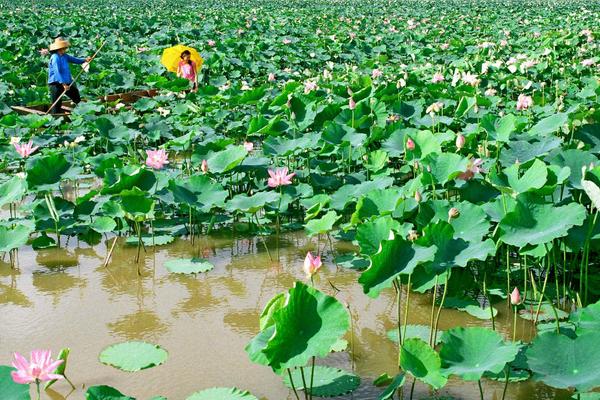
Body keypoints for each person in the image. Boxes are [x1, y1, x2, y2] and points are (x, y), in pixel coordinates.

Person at [47, 37, 91, 114]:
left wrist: (85, 60)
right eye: (64, 48)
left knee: (75, 95)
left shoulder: (65, 56)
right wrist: (63, 84)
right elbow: (57, 72)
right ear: (59, 48)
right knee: (57, 103)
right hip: (56, 83)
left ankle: (81, 112)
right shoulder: (55, 57)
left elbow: (75, 59)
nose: (65, 49)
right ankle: (55, 119)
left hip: (66, 82)